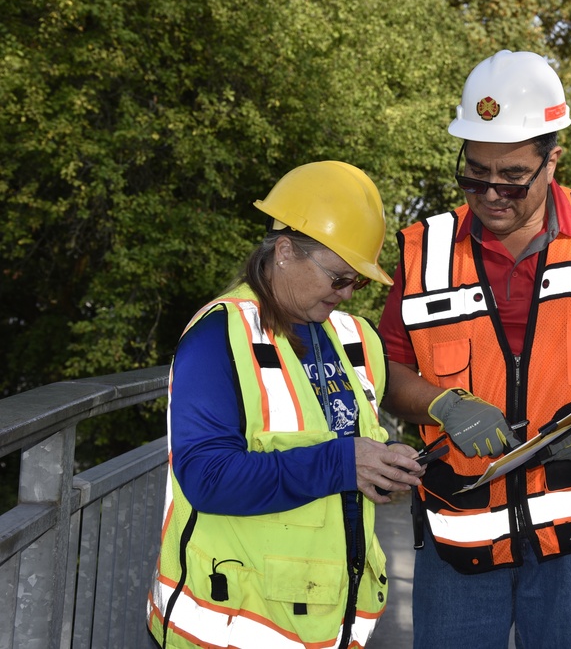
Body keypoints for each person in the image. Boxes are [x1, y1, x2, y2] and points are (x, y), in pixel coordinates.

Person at [378, 50, 571, 648]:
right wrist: (443, 404)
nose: (490, 194)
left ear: (553, 160)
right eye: (473, 175)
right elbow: (386, 370)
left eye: (511, 178)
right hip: (460, 539)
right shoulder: (425, 252)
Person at [147, 161, 424, 649]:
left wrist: (381, 471)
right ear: (284, 251)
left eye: (356, 283)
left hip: (327, 630)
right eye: (338, 278)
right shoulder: (219, 336)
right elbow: (207, 479)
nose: (345, 295)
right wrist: (343, 463)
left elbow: (349, 451)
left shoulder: (355, 340)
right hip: (226, 632)